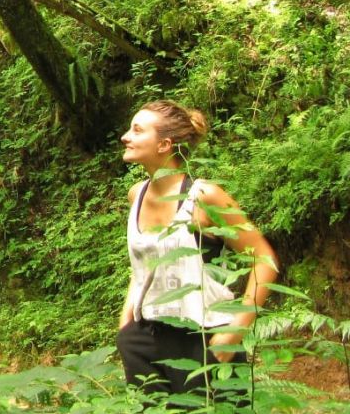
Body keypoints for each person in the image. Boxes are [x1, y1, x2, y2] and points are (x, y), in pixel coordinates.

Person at [115, 100, 278, 397]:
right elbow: (144, 265)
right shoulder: (136, 194)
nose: (126, 136)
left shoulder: (203, 197)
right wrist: (126, 324)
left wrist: (236, 330)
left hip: (203, 339)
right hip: (143, 338)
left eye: (137, 130)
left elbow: (264, 260)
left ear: (164, 144)